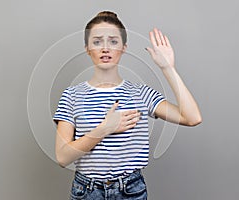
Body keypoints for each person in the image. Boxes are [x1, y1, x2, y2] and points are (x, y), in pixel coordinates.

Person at [53, 11, 202, 200]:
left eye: (113, 41)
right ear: (87, 48)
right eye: (97, 41)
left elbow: (192, 118)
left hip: (130, 191)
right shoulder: (71, 96)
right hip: (87, 192)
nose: (105, 48)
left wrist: (168, 68)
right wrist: (105, 128)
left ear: (124, 47)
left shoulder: (141, 94)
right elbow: (63, 157)